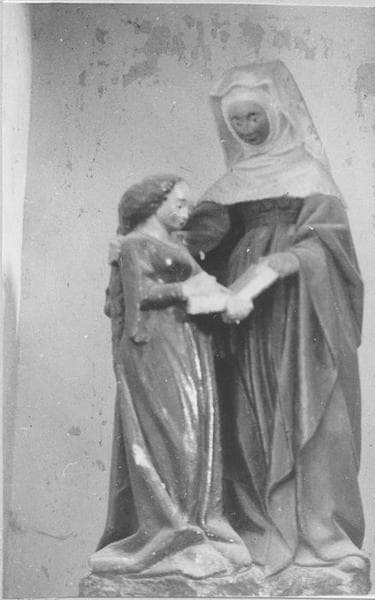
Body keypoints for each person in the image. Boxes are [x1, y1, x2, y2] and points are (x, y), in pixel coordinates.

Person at [184, 61, 369, 577]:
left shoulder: (311, 176)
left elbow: (331, 249)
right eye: (236, 121)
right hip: (246, 327)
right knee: (247, 419)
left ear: (277, 112)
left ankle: (319, 534)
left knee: (312, 415)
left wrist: (277, 264)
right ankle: (257, 530)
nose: (246, 128)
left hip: (302, 317)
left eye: (253, 116)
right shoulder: (229, 185)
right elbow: (195, 246)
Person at [89, 175, 252, 578]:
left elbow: (197, 283)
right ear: (153, 203)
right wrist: (189, 291)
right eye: (178, 203)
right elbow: (140, 297)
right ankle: (171, 533)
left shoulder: (176, 247)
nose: (185, 211)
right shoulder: (134, 245)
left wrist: (224, 299)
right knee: (170, 437)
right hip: (154, 346)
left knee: (198, 434)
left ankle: (200, 527)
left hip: (188, 343)